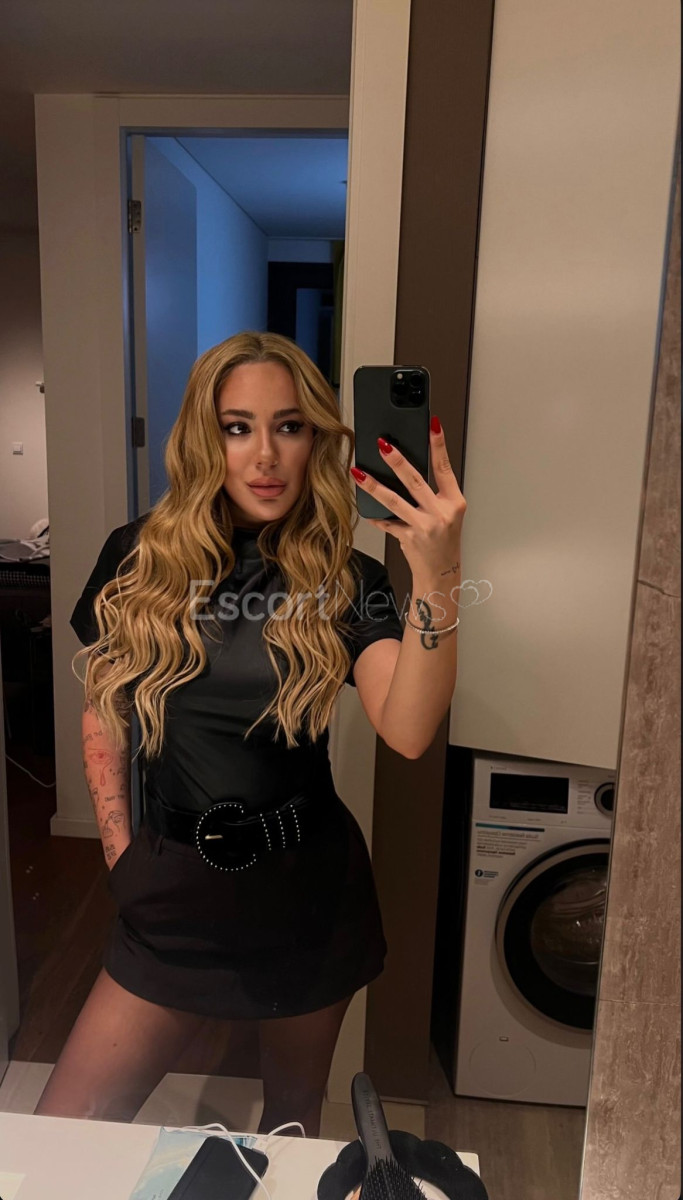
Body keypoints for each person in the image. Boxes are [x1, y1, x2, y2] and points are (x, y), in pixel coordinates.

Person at [34, 331, 465, 1135]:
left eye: (289, 426)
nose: (264, 454)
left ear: (316, 441)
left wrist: (437, 570)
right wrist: (119, 852)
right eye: (237, 427)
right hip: (170, 889)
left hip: (307, 896)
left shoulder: (346, 579)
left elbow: (407, 731)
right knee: (67, 1130)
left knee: (292, 1118)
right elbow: (105, 710)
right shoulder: (136, 557)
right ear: (207, 439)